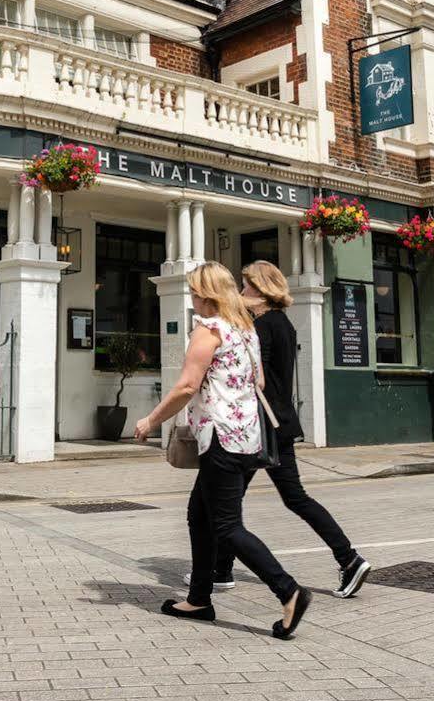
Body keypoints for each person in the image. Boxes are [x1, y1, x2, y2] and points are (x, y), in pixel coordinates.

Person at [135, 263, 311, 639]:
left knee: (226, 526)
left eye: (195, 292)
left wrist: (150, 421)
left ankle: (288, 591)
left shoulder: (210, 329)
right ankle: (199, 599)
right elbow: (259, 380)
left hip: (221, 438)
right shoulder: (246, 330)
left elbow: (185, 386)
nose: (192, 298)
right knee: (199, 515)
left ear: (206, 295)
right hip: (248, 438)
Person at [211, 262, 372, 598]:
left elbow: (259, 380)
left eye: (246, 285)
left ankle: (221, 570)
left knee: (229, 501)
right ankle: (348, 559)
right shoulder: (283, 323)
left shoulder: (263, 326)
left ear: (261, 289)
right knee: (287, 498)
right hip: (279, 423)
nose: (241, 291)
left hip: (261, 427)